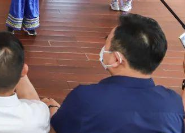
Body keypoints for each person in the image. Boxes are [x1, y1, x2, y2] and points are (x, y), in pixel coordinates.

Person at [46, 14, 184, 133]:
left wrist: (52, 110)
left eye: (106, 45)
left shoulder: (86, 98)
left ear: (117, 59)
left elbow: (60, 128)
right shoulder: (174, 104)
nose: (103, 50)